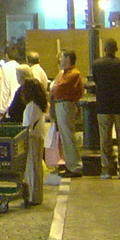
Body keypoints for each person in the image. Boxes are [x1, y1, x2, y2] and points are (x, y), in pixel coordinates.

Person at [91, 38, 120, 179]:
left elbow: (96, 81)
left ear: (104, 49)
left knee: (105, 139)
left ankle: (107, 170)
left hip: (104, 104)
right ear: (116, 49)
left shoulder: (96, 64)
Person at [50, 50, 84, 178]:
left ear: (68, 58)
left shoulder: (74, 74)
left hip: (65, 104)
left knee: (68, 135)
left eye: (61, 57)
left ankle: (74, 166)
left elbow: (57, 88)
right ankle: (70, 164)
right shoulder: (64, 73)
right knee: (65, 136)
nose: (59, 59)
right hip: (62, 104)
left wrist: (54, 87)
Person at [19, 67, 50, 206]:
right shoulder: (38, 105)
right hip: (38, 136)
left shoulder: (31, 107)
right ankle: (36, 195)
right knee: (36, 167)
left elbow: (28, 125)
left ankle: (33, 196)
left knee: (32, 168)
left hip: (32, 138)